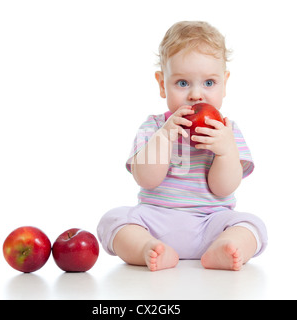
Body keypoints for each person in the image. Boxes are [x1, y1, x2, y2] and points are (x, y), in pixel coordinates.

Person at [97, 21, 267, 271]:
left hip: (210, 223)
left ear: (224, 82)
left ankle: (225, 247)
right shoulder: (152, 127)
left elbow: (224, 189)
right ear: (162, 84)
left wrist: (225, 151)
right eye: (183, 83)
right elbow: (145, 180)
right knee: (113, 220)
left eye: (209, 83)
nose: (196, 95)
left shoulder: (226, 131)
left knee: (252, 225)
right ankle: (148, 248)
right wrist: (164, 138)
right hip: (155, 222)